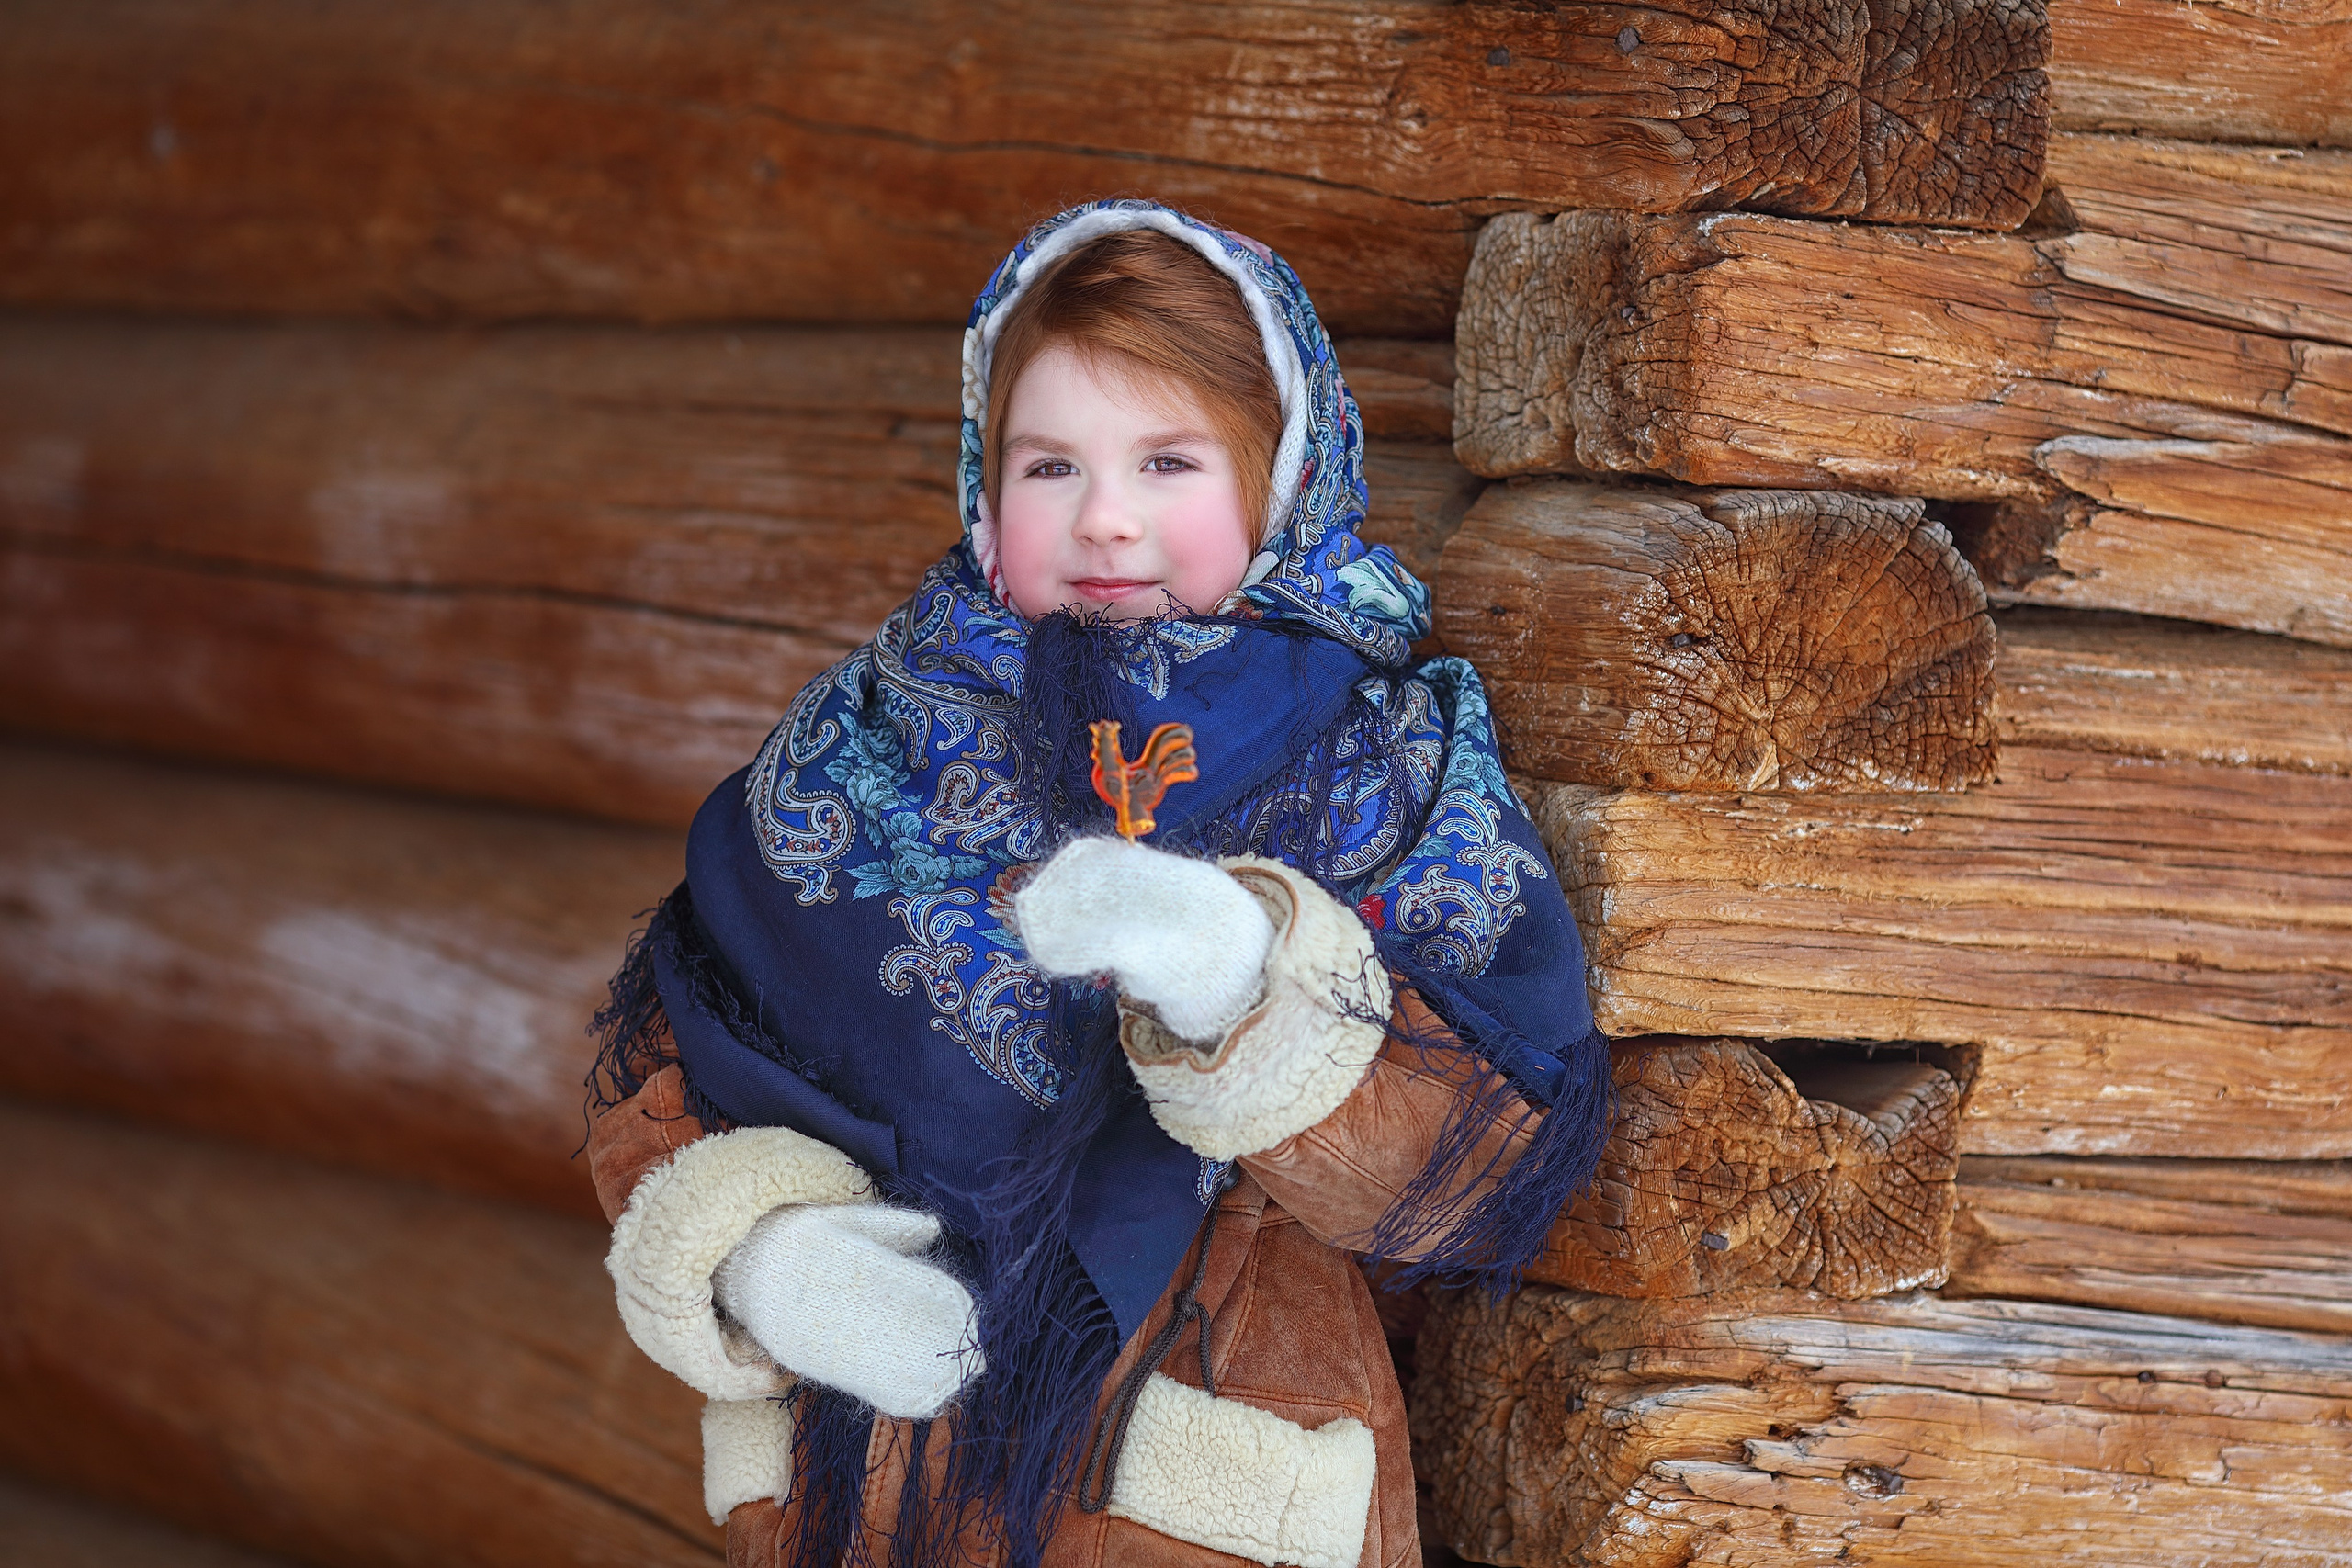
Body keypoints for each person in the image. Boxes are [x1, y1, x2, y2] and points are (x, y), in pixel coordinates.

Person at [584, 201, 1610, 1568]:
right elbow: (667, 1058)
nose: (1106, 520)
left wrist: (1240, 979)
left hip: (1197, 1476)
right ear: (983, 483)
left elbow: (1472, 1156)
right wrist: (763, 1261)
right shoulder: (857, 746)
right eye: (1050, 464)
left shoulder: (1374, 757)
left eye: (1170, 461)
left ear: (1281, 479)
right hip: (865, 1500)